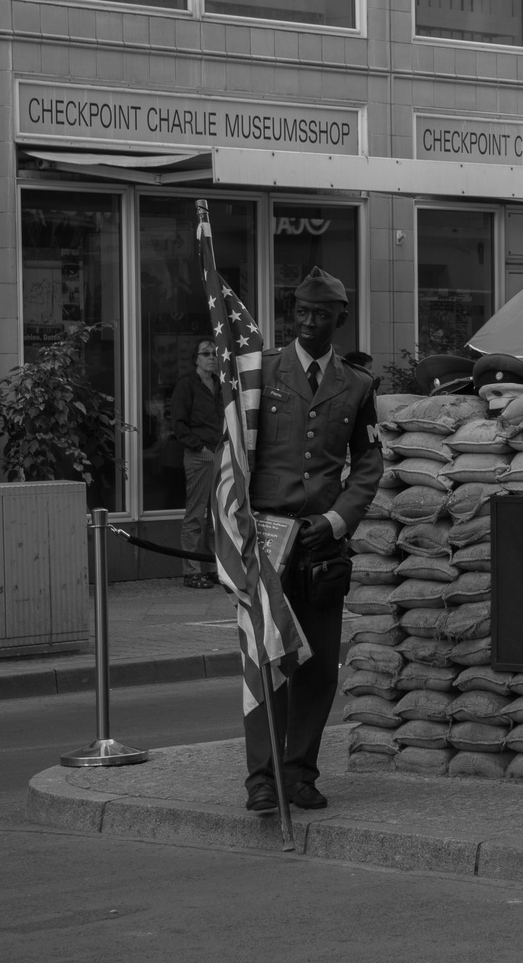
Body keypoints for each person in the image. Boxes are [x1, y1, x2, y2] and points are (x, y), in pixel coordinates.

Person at [244, 267, 381, 814]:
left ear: (339, 319)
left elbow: (369, 462)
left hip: (322, 542)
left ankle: (300, 772)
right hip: (267, 538)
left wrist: (337, 520)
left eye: (320, 314)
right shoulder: (259, 373)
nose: (307, 322)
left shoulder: (358, 384)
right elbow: (233, 454)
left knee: (319, 666)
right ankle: (262, 777)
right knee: (266, 660)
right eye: (300, 311)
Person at [168, 339, 223, 588]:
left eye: (214, 353)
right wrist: (199, 446)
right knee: (196, 515)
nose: (211, 357)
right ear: (196, 359)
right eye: (206, 353)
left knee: (215, 517)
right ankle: (191, 571)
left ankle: (212, 568)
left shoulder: (222, 386)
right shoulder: (187, 386)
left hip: (221, 453)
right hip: (199, 455)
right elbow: (178, 424)